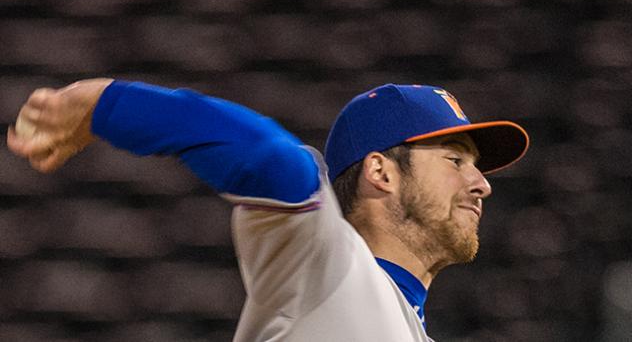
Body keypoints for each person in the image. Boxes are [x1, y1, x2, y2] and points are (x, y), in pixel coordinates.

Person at [7, 78, 529, 341]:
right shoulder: (326, 264)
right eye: (454, 160)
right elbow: (265, 158)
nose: (481, 183)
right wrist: (105, 102)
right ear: (381, 172)